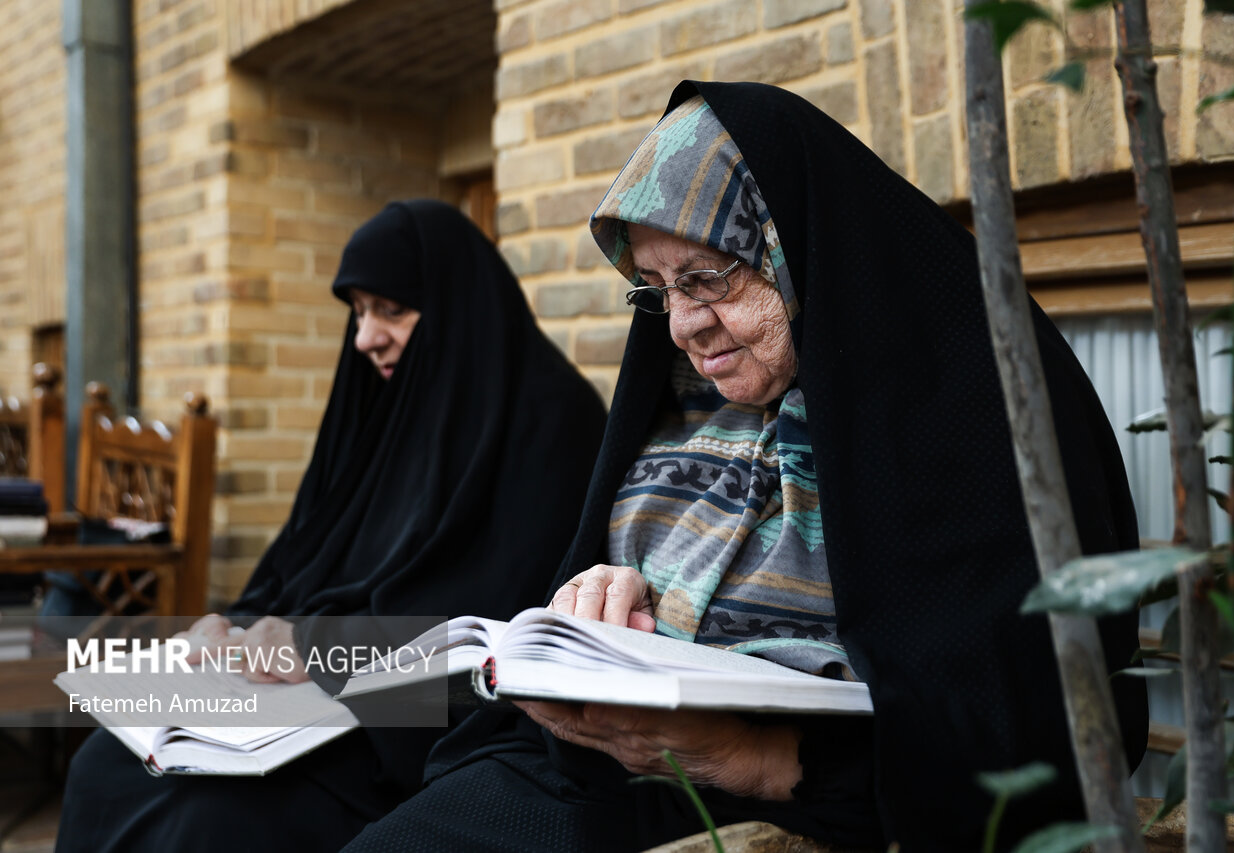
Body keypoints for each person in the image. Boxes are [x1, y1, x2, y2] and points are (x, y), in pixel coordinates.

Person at [342, 83, 1149, 852]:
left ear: (797, 248)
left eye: (708, 276)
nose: (684, 326)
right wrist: (599, 601)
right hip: (561, 775)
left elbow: (1031, 724)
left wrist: (750, 756)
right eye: (659, 290)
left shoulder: (964, 418)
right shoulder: (687, 408)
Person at [55, 200, 608, 852]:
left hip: (408, 730)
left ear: (457, 305)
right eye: (358, 311)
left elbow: (486, 632)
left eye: (391, 310)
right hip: (300, 705)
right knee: (102, 762)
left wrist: (317, 649)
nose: (365, 337)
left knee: (205, 818)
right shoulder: (385, 406)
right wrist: (235, 622)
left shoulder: (550, 422)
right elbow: (308, 558)